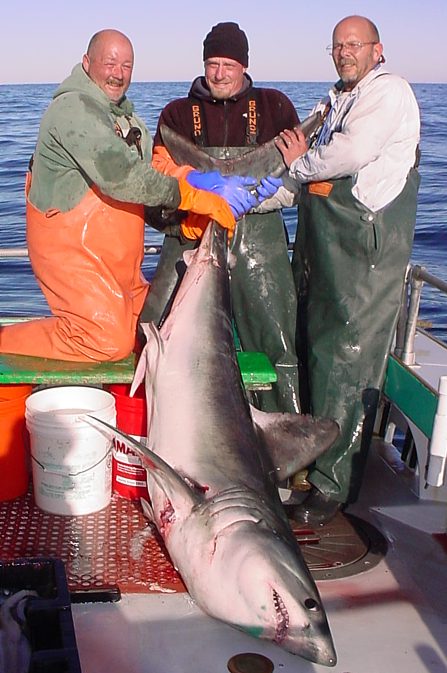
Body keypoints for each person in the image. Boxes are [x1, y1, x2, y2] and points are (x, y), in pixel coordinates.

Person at [0, 29, 261, 362]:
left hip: (121, 266)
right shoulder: (72, 110)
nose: (118, 73)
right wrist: (190, 197)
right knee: (106, 340)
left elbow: (151, 170)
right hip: (74, 258)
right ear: (86, 63)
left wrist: (194, 190)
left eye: (127, 65)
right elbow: (121, 175)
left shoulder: (128, 119)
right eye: (110, 62)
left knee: (161, 327)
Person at [275, 15, 420, 524]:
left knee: (347, 360)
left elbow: (349, 154)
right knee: (317, 350)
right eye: (337, 46)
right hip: (326, 250)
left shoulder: (388, 92)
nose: (344, 53)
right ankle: (312, 464)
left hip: (366, 252)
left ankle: (334, 486)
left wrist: (297, 166)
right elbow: (302, 172)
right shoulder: (334, 100)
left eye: (354, 45)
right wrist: (245, 198)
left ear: (377, 50)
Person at [141, 22, 302, 414]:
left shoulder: (275, 106)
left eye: (228, 64)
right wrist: (205, 193)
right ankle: (158, 423)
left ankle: (288, 440)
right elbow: (158, 176)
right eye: (212, 63)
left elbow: (298, 176)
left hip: (260, 236)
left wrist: (258, 199)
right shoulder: (176, 114)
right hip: (192, 231)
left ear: (244, 66)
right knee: (158, 328)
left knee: (275, 335)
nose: (219, 73)